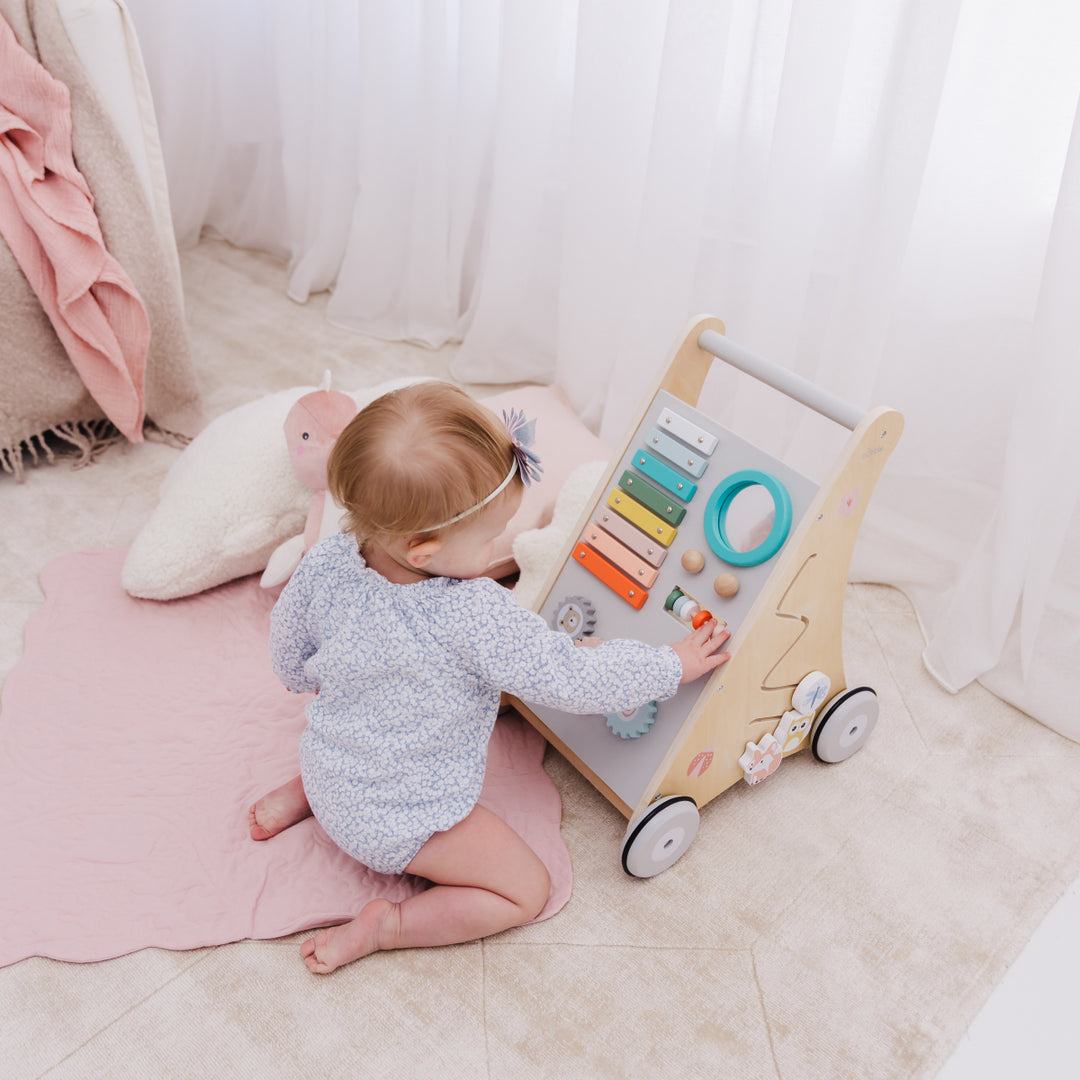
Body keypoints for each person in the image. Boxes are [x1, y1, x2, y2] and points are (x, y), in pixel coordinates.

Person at [250, 381, 731, 974]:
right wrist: (670, 664)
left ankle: (309, 795)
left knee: (355, 714)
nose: (497, 546)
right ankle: (390, 925)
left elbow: (288, 653)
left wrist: (322, 676)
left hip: (328, 769)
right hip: (402, 821)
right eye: (488, 538)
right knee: (525, 890)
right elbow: (569, 678)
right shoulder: (475, 613)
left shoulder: (326, 560)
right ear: (423, 550)